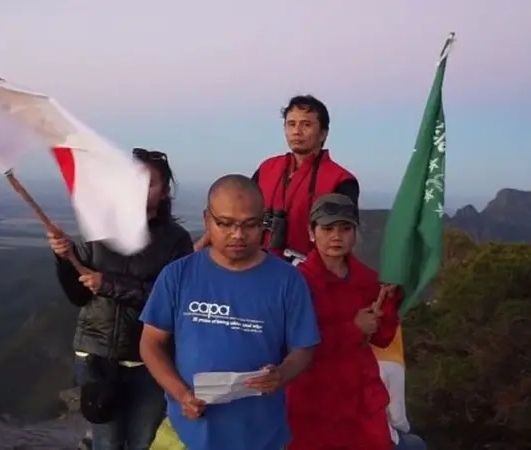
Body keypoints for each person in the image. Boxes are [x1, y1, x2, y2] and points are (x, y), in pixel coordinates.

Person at [139, 174, 321, 450]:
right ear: (206, 219)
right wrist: (181, 394)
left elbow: (304, 348)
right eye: (225, 224)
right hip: (185, 432)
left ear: (263, 223)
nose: (238, 234)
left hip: (259, 436)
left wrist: (281, 375)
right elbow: (151, 343)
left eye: (250, 225)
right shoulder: (178, 275)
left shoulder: (288, 281)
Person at [48, 148, 193, 450]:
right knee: (107, 440)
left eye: (148, 183)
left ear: (165, 191)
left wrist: (110, 284)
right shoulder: (100, 230)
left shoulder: (175, 240)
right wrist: (64, 258)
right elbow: (78, 295)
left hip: (149, 360)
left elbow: (171, 301)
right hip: (97, 355)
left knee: (143, 439)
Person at [286, 193, 402, 450]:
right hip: (312, 402)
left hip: (362, 403)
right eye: (327, 228)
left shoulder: (371, 280)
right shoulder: (295, 283)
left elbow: (382, 339)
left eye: (345, 228)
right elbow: (291, 344)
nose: (336, 236)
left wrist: (391, 300)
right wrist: (353, 329)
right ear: (311, 232)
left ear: (355, 232)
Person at [194, 95, 359, 264]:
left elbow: (342, 238)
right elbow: (238, 210)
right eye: (291, 124)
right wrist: (200, 246)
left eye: (306, 125)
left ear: (323, 133)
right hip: (256, 264)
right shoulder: (268, 168)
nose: (297, 131)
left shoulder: (341, 180)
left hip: (310, 274)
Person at [373, 328, 428, 450]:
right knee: (415, 444)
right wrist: (407, 429)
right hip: (380, 440)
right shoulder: (392, 368)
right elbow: (397, 418)